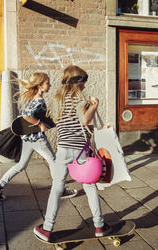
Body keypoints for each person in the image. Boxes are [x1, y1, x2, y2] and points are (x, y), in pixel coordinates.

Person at [33, 65, 110, 242]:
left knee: (57, 187)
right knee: (89, 185)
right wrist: (94, 106)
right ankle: (99, 225)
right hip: (79, 150)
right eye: (83, 82)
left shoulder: (57, 99)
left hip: (63, 148)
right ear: (77, 82)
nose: (84, 86)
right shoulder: (80, 99)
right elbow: (84, 120)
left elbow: (62, 122)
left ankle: (46, 228)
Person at [0, 72, 78, 200]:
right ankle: (61, 190)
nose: (50, 85)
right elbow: (26, 115)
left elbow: (35, 115)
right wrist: (40, 124)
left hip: (27, 138)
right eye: (47, 83)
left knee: (21, 165)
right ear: (40, 85)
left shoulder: (33, 98)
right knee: (53, 162)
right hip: (37, 139)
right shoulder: (39, 100)